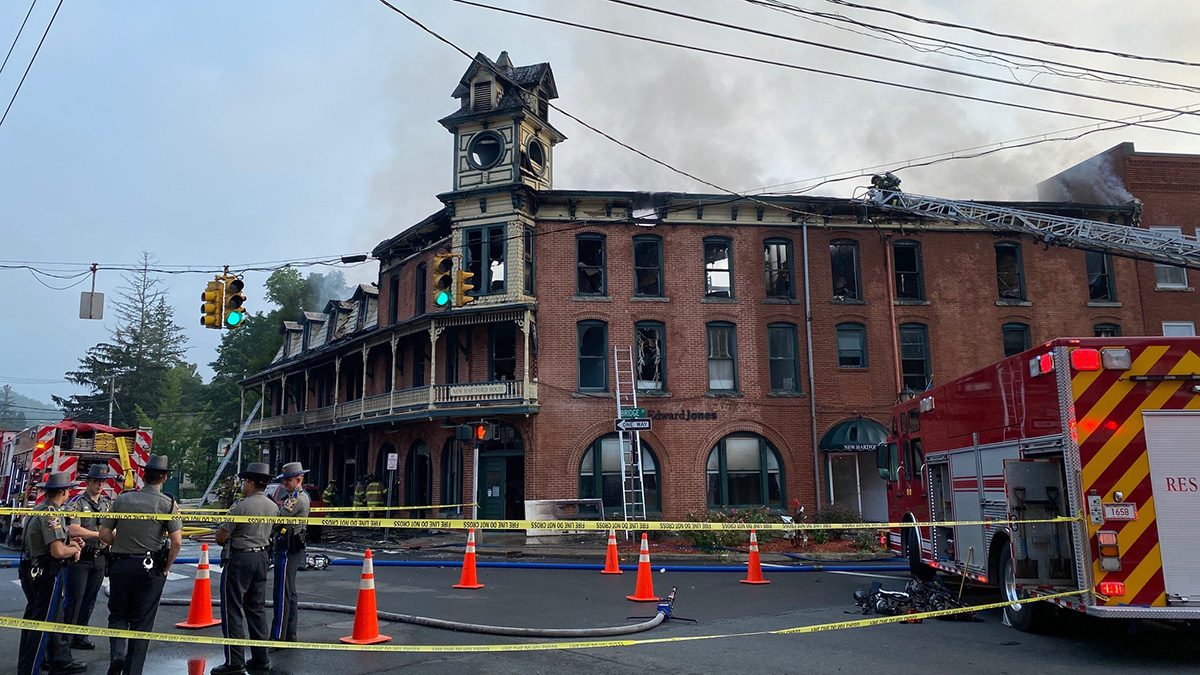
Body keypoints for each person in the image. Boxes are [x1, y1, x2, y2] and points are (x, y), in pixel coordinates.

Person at [99, 454, 182, 675]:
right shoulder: (168, 504)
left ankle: (117, 654)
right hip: (149, 567)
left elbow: (104, 533)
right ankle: (132, 670)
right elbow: (176, 541)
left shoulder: (122, 499)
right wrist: (167, 567)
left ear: (144, 476)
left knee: (118, 614)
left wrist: (120, 544)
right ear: (164, 477)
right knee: (142, 622)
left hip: (120, 564)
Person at [212, 462, 279, 675]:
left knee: (232, 610)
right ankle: (261, 659)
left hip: (240, 559)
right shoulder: (273, 506)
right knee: (257, 609)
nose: (242, 485)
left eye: (244, 481)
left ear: (250, 482)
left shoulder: (240, 506)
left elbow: (221, 537)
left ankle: (234, 661)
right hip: (262, 557)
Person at [17, 471, 86, 675]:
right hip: (46, 573)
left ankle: (33, 665)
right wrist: (74, 550)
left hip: (31, 568)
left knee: (33, 621)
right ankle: (31, 669)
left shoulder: (37, 510)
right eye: (67, 492)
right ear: (64, 492)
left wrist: (69, 542)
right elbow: (57, 551)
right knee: (42, 625)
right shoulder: (52, 514)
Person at [64, 463, 113, 651]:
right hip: (81, 558)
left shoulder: (107, 504)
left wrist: (107, 538)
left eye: (102, 481)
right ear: (88, 482)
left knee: (90, 599)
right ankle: (65, 639)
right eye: (95, 481)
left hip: (99, 557)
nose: (99, 485)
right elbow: (73, 528)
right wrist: (99, 535)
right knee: (74, 599)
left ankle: (80, 636)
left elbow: (114, 526)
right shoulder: (77, 503)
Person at [270, 462, 311, 646]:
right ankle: (289, 633)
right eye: (284, 480)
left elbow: (278, 517)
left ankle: (278, 635)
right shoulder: (297, 496)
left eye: (288, 480)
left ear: (299, 479)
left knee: (282, 592)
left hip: (287, 546)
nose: (285, 483)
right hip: (292, 545)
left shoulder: (296, 499)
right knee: (289, 592)